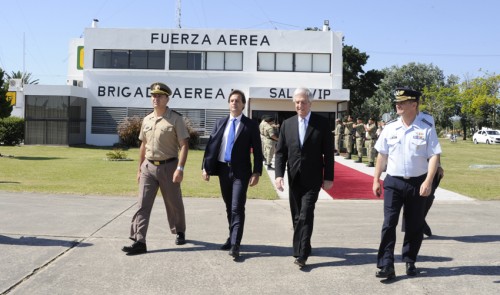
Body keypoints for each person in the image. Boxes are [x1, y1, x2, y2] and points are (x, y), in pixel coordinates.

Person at [372, 87, 441, 279]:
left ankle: (410, 260)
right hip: (393, 181)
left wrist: (428, 181)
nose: (398, 105)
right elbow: (382, 155)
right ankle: (386, 264)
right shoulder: (390, 127)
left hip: (417, 182)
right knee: (389, 224)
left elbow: (434, 155)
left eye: (402, 102)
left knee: (414, 225)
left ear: (414, 104)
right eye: (397, 102)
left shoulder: (426, 126)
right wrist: (376, 179)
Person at [122, 82, 190, 255]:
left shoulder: (176, 118)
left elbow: (184, 145)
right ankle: (139, 241)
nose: (155, 98)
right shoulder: (147, 119)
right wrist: (139, 169)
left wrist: (180, 168)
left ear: (167, 99)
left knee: (174, 203)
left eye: (159, 96)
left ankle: (179, 230)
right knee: (142, 204)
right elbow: (143, 146)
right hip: (148, 167)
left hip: (169, 166)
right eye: (153, 95)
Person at [274, 87, 334, 268]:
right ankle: (304, 244)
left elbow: (328, 154)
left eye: (303, 102)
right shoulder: (287, 124)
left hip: (313, 177)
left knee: (306, 213)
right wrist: (278, 175)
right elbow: (280, 153)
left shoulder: (321, 124)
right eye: (297, 102)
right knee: (297, 215)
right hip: (294, 177)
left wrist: (329, 177)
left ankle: (302, 254)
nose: (300, 105)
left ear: (310, 103)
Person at [202, 89, 263, 259]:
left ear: (243, 104)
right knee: (229, 207)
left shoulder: (250, 125)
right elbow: (211, 147)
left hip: (241, 173)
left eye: (237, 100)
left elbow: (257, 151)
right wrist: (205, 167)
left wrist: (256, 172)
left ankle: (235, 244)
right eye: (231, 100)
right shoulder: (220, 122)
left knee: (237, 207)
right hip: (223, 170)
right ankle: (231, 237)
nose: (234, 103)